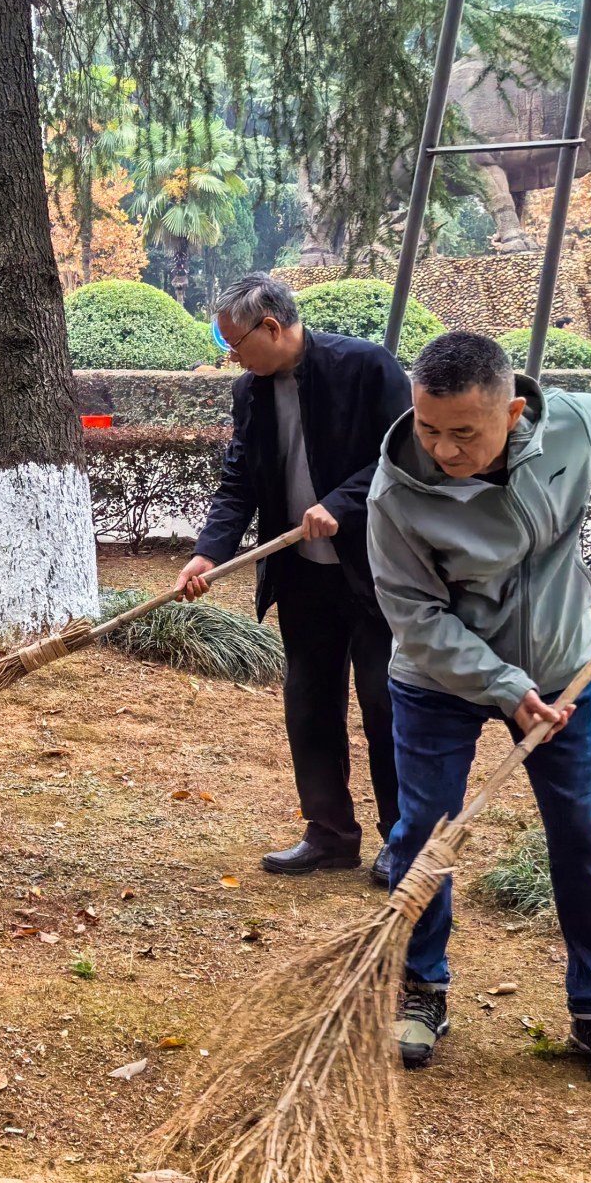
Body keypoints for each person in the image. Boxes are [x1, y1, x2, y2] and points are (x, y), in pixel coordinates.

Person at [368, 330, 591, 1099]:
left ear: (513, 412)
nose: (443, 448)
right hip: (438, 679)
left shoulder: (569, 423)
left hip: (564, 672)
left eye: (464, 432)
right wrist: (501, 684)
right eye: (428, 427)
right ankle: (419, 989)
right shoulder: (394, 492)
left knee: (581, 834)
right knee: (423, 829)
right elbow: (415, 616)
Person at [175, 273, 411, 881]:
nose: (232, 358)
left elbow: (408, 456)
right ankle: (329, 833)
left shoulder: (366, 367)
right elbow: (240, 480)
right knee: (309, 705)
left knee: (385, 704)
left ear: (272, 327)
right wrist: (208, 553)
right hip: (303, 576)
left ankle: (403, 837)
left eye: (235, 344)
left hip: (376, 572)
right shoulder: (250, 392)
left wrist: (343, 503)